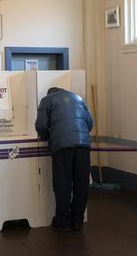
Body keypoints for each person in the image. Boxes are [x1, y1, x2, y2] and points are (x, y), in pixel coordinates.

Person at [35, 87, 94, 232]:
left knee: (63, 183)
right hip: (83, 145)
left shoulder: (47, 100)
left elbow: (41, 126)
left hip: (62, 146)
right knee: (81, 184)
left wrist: (47, 137)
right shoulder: (78, 98)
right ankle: (78, 221)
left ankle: (63, 221)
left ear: (50, 93)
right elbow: (90, 123)